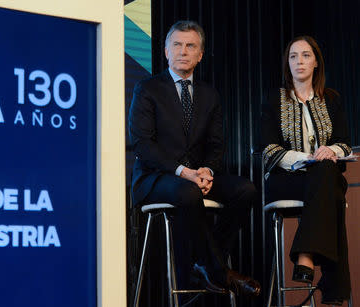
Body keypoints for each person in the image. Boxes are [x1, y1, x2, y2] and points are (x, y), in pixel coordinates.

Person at [129, 20, 261, 298]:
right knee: (188, 191)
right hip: (155, 179)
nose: (183, 51)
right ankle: (219, 270)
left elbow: (216, 145)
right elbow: (143, 145)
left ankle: (204, 263)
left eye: (190, 46)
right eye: (177, 44)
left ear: (200, 55)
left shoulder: (210, 95)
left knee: (246, 190)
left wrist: (208, 171)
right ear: (166, 51)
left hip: (195, 177)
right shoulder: (147, 89)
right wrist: (183, 172)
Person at [262, 35, 352, 305]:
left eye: (305, 55)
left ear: (316, 63)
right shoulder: (274, 100)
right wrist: (307, 158)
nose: (299, 61)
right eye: (293, 56)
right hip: (285, 181)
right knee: (330, 189)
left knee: (326, 175)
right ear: (287, 64)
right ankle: (333, 286)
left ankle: (307, 259)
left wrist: (331, 151)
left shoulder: (332, 99)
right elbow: (267, 149)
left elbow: (345, 144)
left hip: (322, 180)